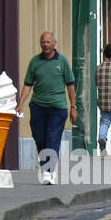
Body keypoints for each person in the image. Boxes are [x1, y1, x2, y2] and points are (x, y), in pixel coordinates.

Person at [15, 31, 77, 184]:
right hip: (38, 106)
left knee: (52, 139)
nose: (45, 45)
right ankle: (47, 168)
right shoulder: (35, 61)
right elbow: (28, 85)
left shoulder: (62, 61)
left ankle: (48, 171)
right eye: (43, 42)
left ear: (55, 43)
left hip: (58, 107)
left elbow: (70, 86)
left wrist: (73, 107)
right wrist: (20, 104)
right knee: (40, 139)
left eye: (48, 42)